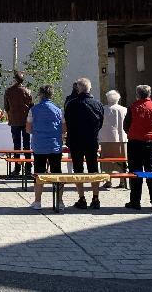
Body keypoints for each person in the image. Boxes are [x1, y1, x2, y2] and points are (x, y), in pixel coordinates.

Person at [64, 78, 104, 210]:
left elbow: (68, 123)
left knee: (78, 169)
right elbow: (100, 123)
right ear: (90, 88)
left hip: (76, 141)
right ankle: (96, 197)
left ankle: (81, 198)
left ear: (78, 88)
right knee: (93, 168)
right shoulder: (97, 104)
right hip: (91, 140)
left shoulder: (71, 104)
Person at [124, 85, 152, 212]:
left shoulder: (133, 107)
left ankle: (135, 201)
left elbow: (126, 126)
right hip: (151, 142)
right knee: (150, 172)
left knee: (135, 172)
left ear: (137, 94)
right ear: (149, 94)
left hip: (135, 143)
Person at [26, 85, 65, 211]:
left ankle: (38, 202)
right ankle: (59, 202)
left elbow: (28, 128)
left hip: (40, 146)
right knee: (57, 173)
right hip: (55, 146)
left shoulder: (34, 110)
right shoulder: (58, 110)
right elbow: (64, 129)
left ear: (40, 94)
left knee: (39, 174)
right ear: (52, 95)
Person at [3, 71, 33, 176]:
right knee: (27, 145)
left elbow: (6, 107)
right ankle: (28, 168)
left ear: (15, 80)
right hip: (25, 121)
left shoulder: (9, 91)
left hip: (15, 121)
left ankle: (17, 168)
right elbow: (31, 106)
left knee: (16, 145)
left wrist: (11, 113)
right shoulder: (27, 91)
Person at [99, 90, 128, 189]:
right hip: (120, 138)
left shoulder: (102, 109)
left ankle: (108, 181)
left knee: (107, 161)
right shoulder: (124, 109)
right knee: (121, 160)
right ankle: (122, 180)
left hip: (106, 138)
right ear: (118, 98)